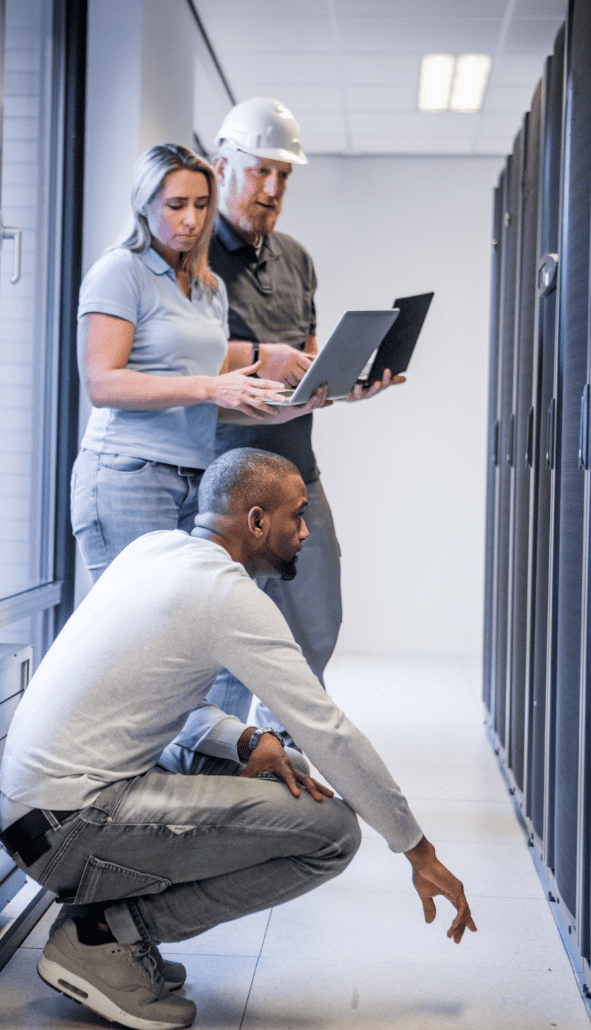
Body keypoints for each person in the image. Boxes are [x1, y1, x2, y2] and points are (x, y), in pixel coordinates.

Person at [0, 448, 476, 1030]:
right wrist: (417, 850)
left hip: (37, 815)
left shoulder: (154, 552)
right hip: (69, 825)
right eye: (297, 517)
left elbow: (156, 703)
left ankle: (107, 926)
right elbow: (328, 730)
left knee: (285, 763)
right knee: (332, 834)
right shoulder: (226, 595)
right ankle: (105, 935)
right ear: (255, 522)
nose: (304, 531)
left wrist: (249, 742)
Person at [207, 97, 403, 732]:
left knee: (317, 625)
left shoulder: (295, 258)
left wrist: (343, 382)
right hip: (227, 479)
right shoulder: (194, 256)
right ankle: (224, 760)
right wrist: (265, 361)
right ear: (220, 166)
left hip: (297, 476)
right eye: (260, 171)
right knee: (224, 645)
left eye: (284, 176)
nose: (272, 188)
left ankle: (279, 749)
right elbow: (183, 359)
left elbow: (308, 355)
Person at [70, 142, 326, 583]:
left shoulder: (209, 287)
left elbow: (208, 401)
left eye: (202, 204)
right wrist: (212, 386)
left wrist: (286, 409)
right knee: (136, 627)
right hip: (130, 475)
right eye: (176, 205)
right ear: (144, 205)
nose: (192, 219)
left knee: (182, 626)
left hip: (196, 479)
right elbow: (102, 384)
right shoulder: (120, 271)